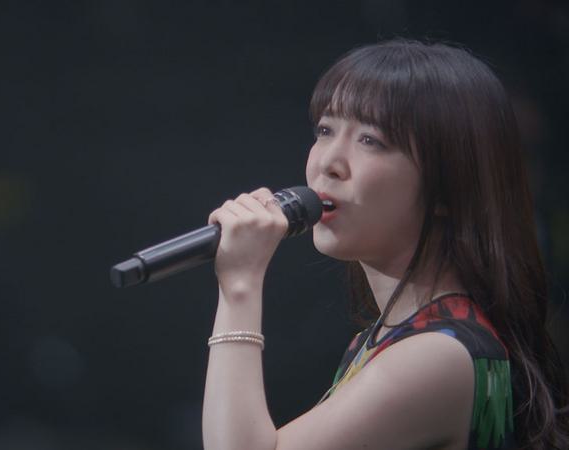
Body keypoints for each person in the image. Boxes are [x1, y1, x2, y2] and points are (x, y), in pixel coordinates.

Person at [202, 39, 569, 450]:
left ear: (448, 188)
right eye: (325, 130)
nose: (328, 162)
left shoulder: (437, 357)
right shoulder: (391, 341)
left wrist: (240, 286)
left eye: (370, 140)